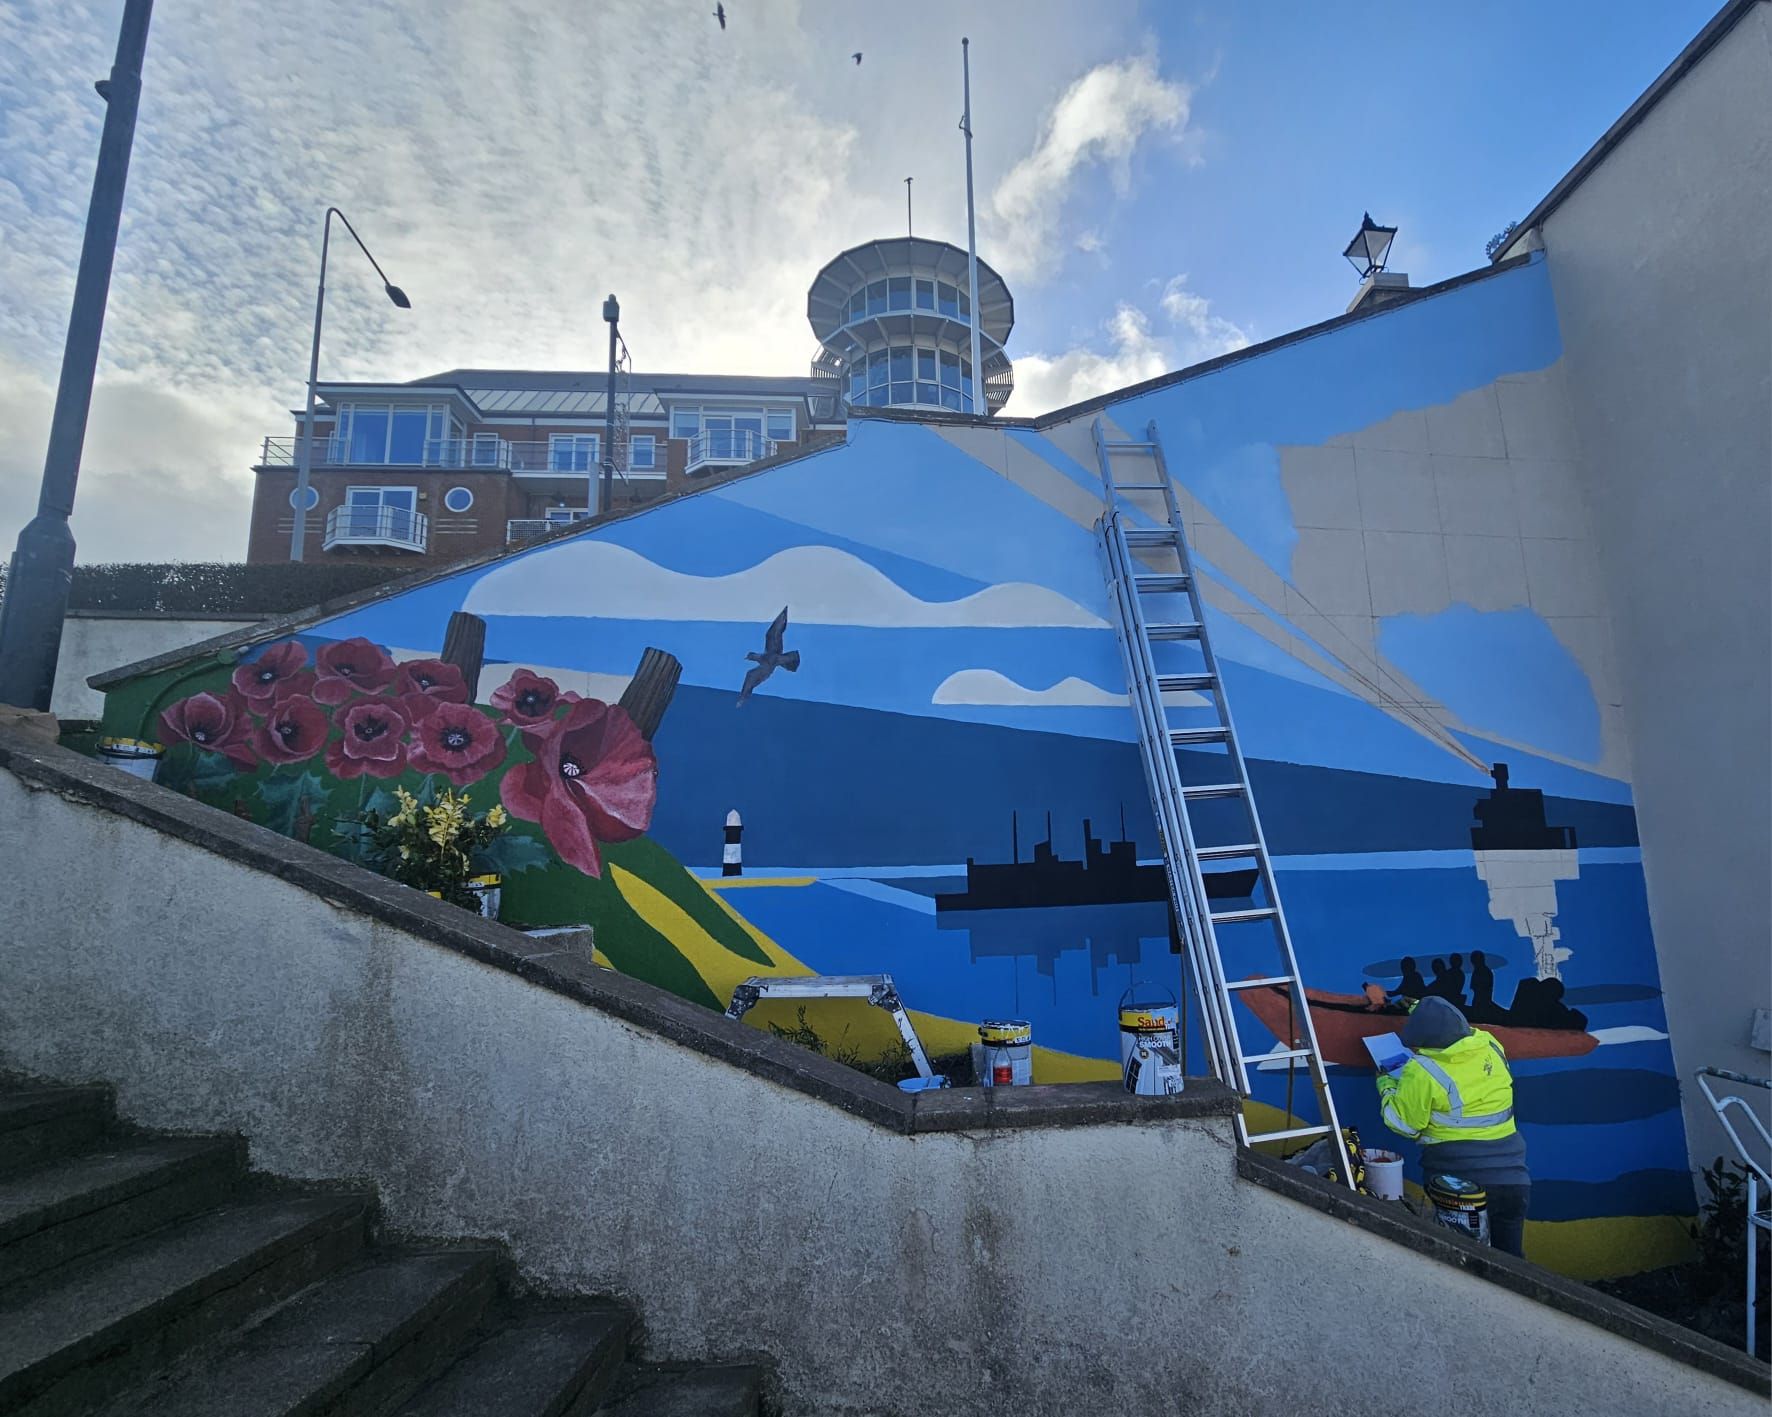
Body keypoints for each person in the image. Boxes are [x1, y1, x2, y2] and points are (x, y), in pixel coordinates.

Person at [1373, 995, 1531, 1257]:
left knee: (1463, 1264)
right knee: (1513, 1266)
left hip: (1460, 1185)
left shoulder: (1423, 1070)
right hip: (1514, 1180)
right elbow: (1448, 1020)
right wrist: (1415, 1006)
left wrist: (1386, 1084)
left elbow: (1403, 1124)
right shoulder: (1489, 1044)